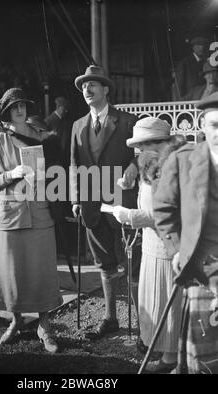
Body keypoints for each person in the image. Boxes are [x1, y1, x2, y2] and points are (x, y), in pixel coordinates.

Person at [0, 88, 63, 353]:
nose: (20, 110)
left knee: (41, 270)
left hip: (40, 211)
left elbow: (57, 171)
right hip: (9, 216)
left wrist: (49, 176)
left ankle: (45, 326)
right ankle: (16, 321)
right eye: (14, 106)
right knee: (12, 273)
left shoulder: (41, 135)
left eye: (23, 105)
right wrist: (11, 174)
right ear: (6, 111)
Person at [112, 117, 186, 372]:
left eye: (142, 146)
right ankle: (169, 354)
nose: (138, 152)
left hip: (169, 250)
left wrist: (131, 216)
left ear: (159, 144)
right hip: (153, 248)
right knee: (158, 303)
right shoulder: (153, 164)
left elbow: (169, 214)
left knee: (171, 307)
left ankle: (173, 359)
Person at [70, 65, 138, 338]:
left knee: (132, 262)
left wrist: (135, 165)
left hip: (122, 203)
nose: (86, 90)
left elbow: (143, 152)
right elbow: (74, 165)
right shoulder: (77, 126)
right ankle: (111, 319)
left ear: (106, 89)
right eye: (84, 87)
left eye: (92, 85)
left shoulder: (127, 121)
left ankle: (143, 324)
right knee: (104, 263)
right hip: (91, 205)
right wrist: (75, 198)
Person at [153, 91, 218, 374]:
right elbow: (164, 208)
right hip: (204, 272)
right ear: (203, 125)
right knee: (204, 359)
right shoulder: (182, 161)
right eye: (215, 125)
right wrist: (177, 248)